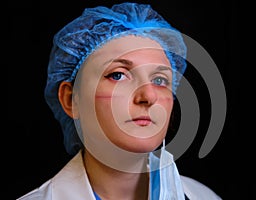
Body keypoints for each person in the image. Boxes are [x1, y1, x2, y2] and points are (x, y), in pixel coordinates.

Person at [17, 2, 222, 200]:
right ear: (71, 100)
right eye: (118, 75)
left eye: (160, 80)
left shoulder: (203, 196)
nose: (148, 96)